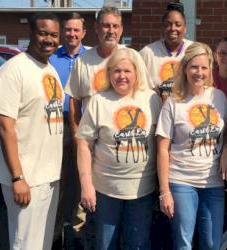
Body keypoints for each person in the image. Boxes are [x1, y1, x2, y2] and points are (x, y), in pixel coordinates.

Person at [76, 47, 162, 250]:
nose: (121, 76)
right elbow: (83, 144)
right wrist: (86, 185)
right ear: (109, 73)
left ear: (136, 73)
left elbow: (162, 143)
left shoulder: (151, 99)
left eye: (126, 71)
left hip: (142, 191)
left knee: (139, 244)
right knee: (105, 244)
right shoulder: (98, 101)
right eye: (116, 71)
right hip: (105, 191)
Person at [156, 42, 227, 250]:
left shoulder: (218, 97)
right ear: (185, 68)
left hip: (213, 183)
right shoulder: (173, 101)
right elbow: (162, 148)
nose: (199, 72)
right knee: (183, 243)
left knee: (211, 243)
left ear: (210, 69)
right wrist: (165, 191)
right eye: (194, 67)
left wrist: (226, 149)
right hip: (181, 181)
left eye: (204, 67)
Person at [0, 12, 63, 250]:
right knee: (24, 244)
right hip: (27, 178)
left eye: (54, 35)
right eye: (43, 33)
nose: (49, 40)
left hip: (48, 176)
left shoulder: (49, 69)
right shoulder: (13, 70)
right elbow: (5, 127)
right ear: (31, 33)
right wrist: (18, 178)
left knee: (42, 243)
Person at [64, 6, 124, 249]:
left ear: (121, 29)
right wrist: (78, 136)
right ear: (97, 28)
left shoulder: (131, 57)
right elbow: (74, 101)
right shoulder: (84, 62)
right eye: (106, 25)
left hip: (120, 148)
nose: (110, 30)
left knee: (117, 203)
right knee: (88, 203)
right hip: (90, 145)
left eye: (115, 26)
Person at [49, 12, 87, 249]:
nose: (72, 34)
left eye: (76, 30)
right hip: (56, 126)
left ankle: (78, 233)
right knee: (58, 182)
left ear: (83, 33)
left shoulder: (91, 58)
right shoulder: (51, 58)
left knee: (82, 179)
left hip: (84, 125)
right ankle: (54, 234)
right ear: (63, 32)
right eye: (68, 30)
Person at [140, 1, 192, 101]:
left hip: (184, 111)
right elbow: (139, 86)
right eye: (168, 24)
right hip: (155, 112)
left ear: (185, 28)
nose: (173, 28)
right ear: (162, 28)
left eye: (178, 24)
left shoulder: (193, 51)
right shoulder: (147, 53)